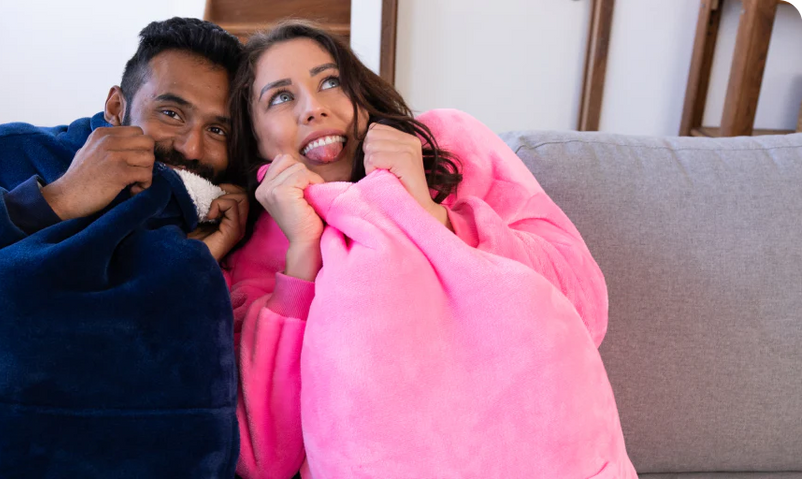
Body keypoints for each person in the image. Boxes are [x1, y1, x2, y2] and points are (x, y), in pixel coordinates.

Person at [225, 21, 637, 478]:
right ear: (255, 138)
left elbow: (584, 306)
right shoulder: (256, 251)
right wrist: (303, 254)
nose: (313, 108)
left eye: (330, 82)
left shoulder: (449, 145)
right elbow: (266, 459)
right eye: (281, 97)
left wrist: (426, 212)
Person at [0, 17, 249, 477]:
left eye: (218, 131)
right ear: (116, 106)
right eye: (172, 114)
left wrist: (199, 259)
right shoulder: (19, 154)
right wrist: (55, 199)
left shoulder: (224, 212)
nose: (192, 148)